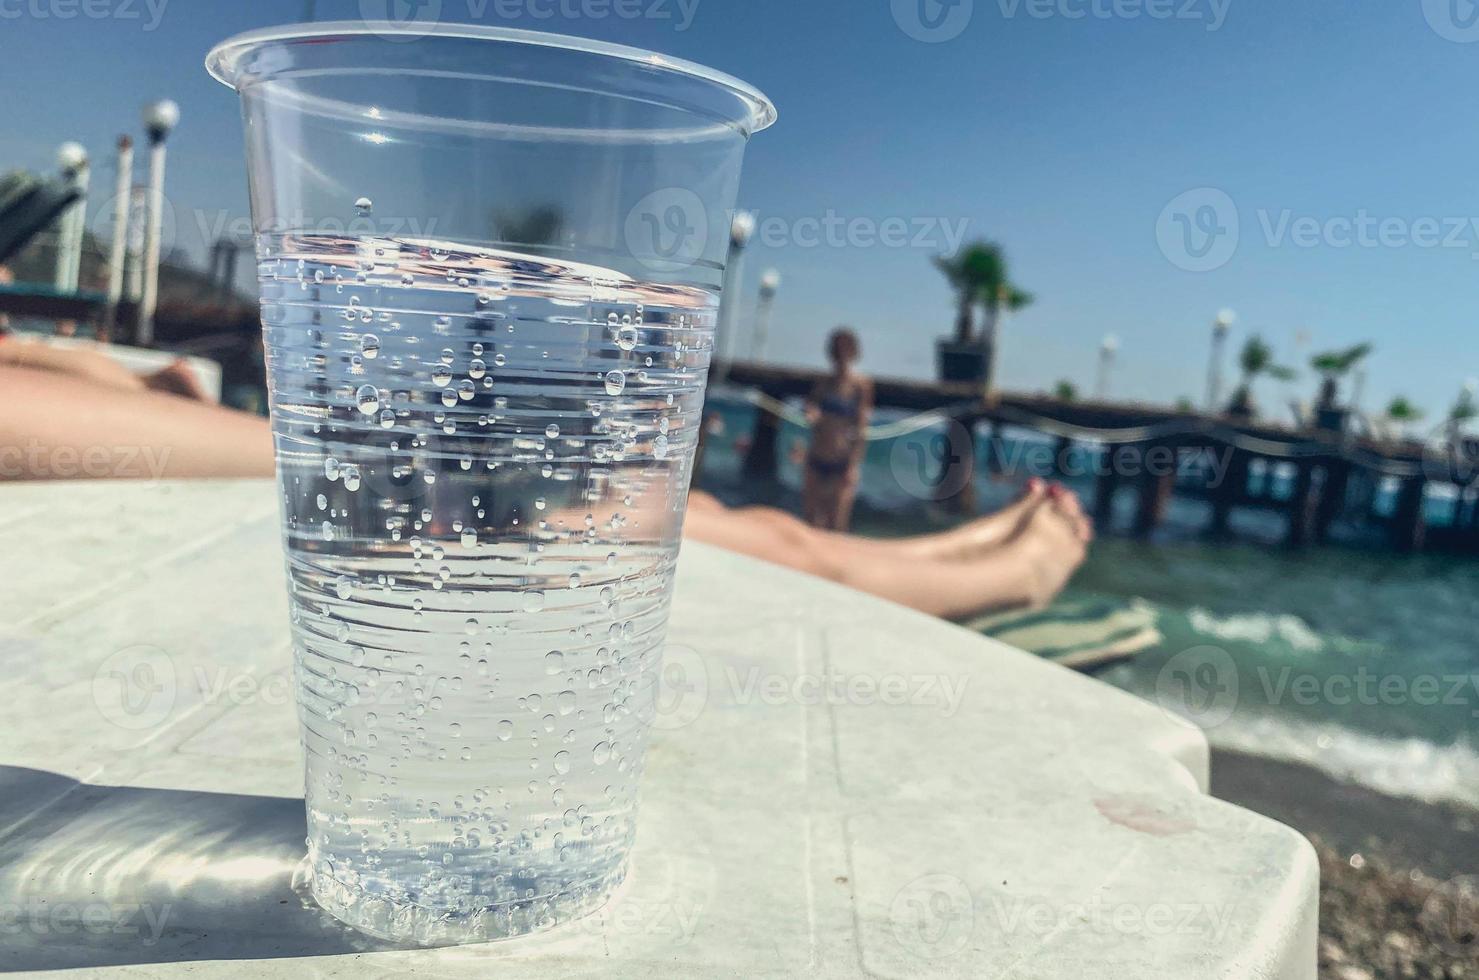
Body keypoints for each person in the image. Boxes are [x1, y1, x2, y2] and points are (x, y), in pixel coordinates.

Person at [0, 358, 1091, 619]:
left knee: (699, 512)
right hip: (304, 484)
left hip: (262, 457)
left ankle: (949, 555)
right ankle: (981, 574)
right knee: (663, 522)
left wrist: (114, 370)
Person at [803, 327, 873, 530]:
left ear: (853, 353)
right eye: (837, 351)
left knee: (836, 525)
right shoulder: (823, 383)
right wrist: (812, 413)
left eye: (845, 351)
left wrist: (853, 465)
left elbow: (861, 428)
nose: (840, 356)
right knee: (811, 522)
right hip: (817, 457)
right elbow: (811, 406)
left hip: (842, 461)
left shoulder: (861, 385)